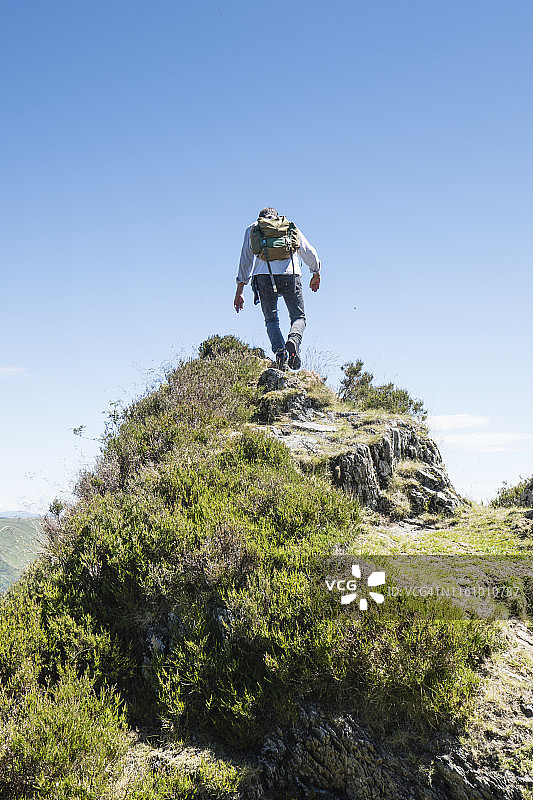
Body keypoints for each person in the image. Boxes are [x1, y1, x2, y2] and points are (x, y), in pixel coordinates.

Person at [234, 208, 321, 370]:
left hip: (263, 276)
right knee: (298, 317)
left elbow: (245, 260)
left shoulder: (253, 228)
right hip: (290, 273)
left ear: (261, 218)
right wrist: (315, 272)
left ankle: (280, 354)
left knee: (271, 319)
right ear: (276, 217)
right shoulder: (287, 226)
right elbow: (309, 251)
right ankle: (293, 340)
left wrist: (240, 291)